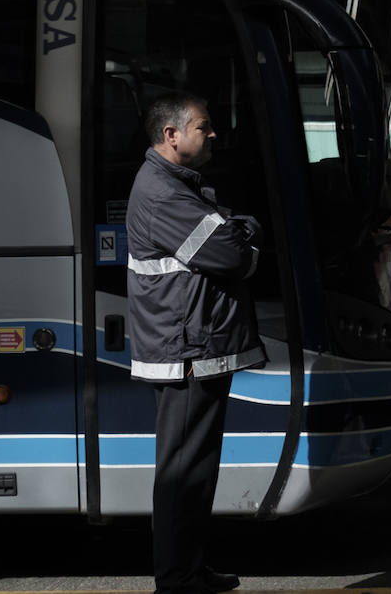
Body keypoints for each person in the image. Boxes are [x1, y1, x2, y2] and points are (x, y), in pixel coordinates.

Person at [126, 92, 266, 594]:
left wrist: (240, 233)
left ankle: (190, 569)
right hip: (186, 353)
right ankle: (177, 579)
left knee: (195, 473)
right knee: (183, 476)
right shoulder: (165, 194)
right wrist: (247, 242)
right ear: (172, 136)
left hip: (192, 350)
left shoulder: (176, 186)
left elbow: (230, 236)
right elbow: (232, 255)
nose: (212, 135)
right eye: (204, 127)